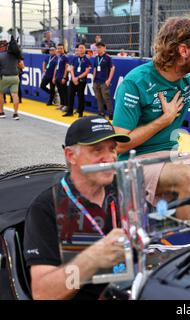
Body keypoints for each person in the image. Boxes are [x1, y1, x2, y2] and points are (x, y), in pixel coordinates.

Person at [113, 16, 190, 221]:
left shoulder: (189, 79)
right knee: (187, 178)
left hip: (170, 156)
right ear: (183, 50)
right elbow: (119, 144)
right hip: (134, 162)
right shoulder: (135, 82)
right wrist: (163, 120)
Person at [23, 115, 131, 300]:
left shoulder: (125, 190)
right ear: (71, 156)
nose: (110, 158)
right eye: (97, 150)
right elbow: (43, 293)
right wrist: (94, 257)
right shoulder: (46, 207)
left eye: (112, 149)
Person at [63, 43, 91, 117]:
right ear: (78, 49)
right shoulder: (75, 58)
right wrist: (73, 78)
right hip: (73, 79)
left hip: (81, 80)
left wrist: (78, 78)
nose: (81, 49)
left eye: (82, 48)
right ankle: (70, 112)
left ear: (85, 49)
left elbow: (87, 71)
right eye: (79, 48)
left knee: (80, 96)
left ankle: (80, 113)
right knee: (70, 95)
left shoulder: (87, 59)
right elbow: (71, 68)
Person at [0, 36, 23, 120]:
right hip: (15, 77)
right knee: (15, 95)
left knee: (1, 95)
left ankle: (1, 112)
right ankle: (15, 114)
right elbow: (22, 66)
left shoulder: (1, 55)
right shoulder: (15, 55)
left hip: (4, 78)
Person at [93, 42, 115, 120]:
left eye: (100, 47)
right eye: (97, 48)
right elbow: (95, 69)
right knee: (98, 98)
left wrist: (109, 80)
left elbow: (112, 68)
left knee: (106, 98)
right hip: (96, 81)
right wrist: (93, 80)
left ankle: (111, 113)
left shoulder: (107, 58)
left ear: (104, 48)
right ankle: (101, 112)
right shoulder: (96, 58)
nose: (98, 49)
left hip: (104, 81)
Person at [53, 43, 69, 111]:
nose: (59, 50)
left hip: (62, 77)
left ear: (63, 49)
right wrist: (54, 77)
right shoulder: (58, 57)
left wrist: (64, 77)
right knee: (60, 91)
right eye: (58, 48)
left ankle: (66, 105)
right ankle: (62, 104)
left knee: (64, 92)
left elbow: (66, 68)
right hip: (57, 77)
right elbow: (56, 67)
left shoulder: (65, 57)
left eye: (61, 48)